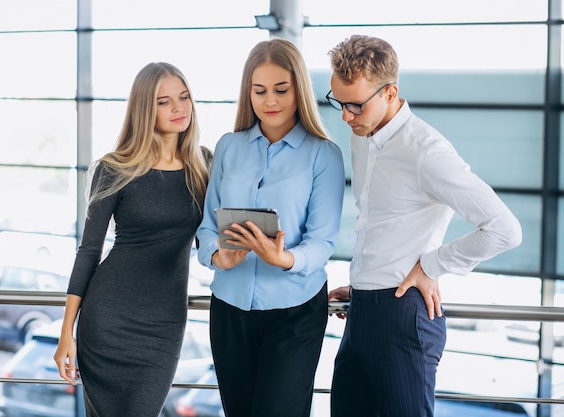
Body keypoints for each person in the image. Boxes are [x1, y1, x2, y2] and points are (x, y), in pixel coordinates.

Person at [325, 34, 523, 417]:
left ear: (389, 92)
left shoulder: (426, 151)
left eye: (354, 105)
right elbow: (385, 226)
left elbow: (504, 228)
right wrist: (366, 282)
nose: (346, 116)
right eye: (339, 102)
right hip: (364, 310)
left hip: (403, 318)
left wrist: (431, 266)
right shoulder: (363, 136)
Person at [196, 38, 345, 417]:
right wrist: (218, 255)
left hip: (295, 311)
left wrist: (286, 258)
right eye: (259, 91)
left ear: (299, 89)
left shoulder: (324, 155)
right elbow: (207, 224)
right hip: (229, 305)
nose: (270, 101)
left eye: (281, 89)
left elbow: (324, 240)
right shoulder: (229, 147)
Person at [52, 62, 211, 417]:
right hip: (107, 320)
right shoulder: (115, 167)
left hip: (164, 325)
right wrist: (67, 333)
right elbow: (89, 251)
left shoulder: (205, 166)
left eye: (184, 97)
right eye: (164, 101)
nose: (179, 108)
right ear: (144, 108)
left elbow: (213, 243)